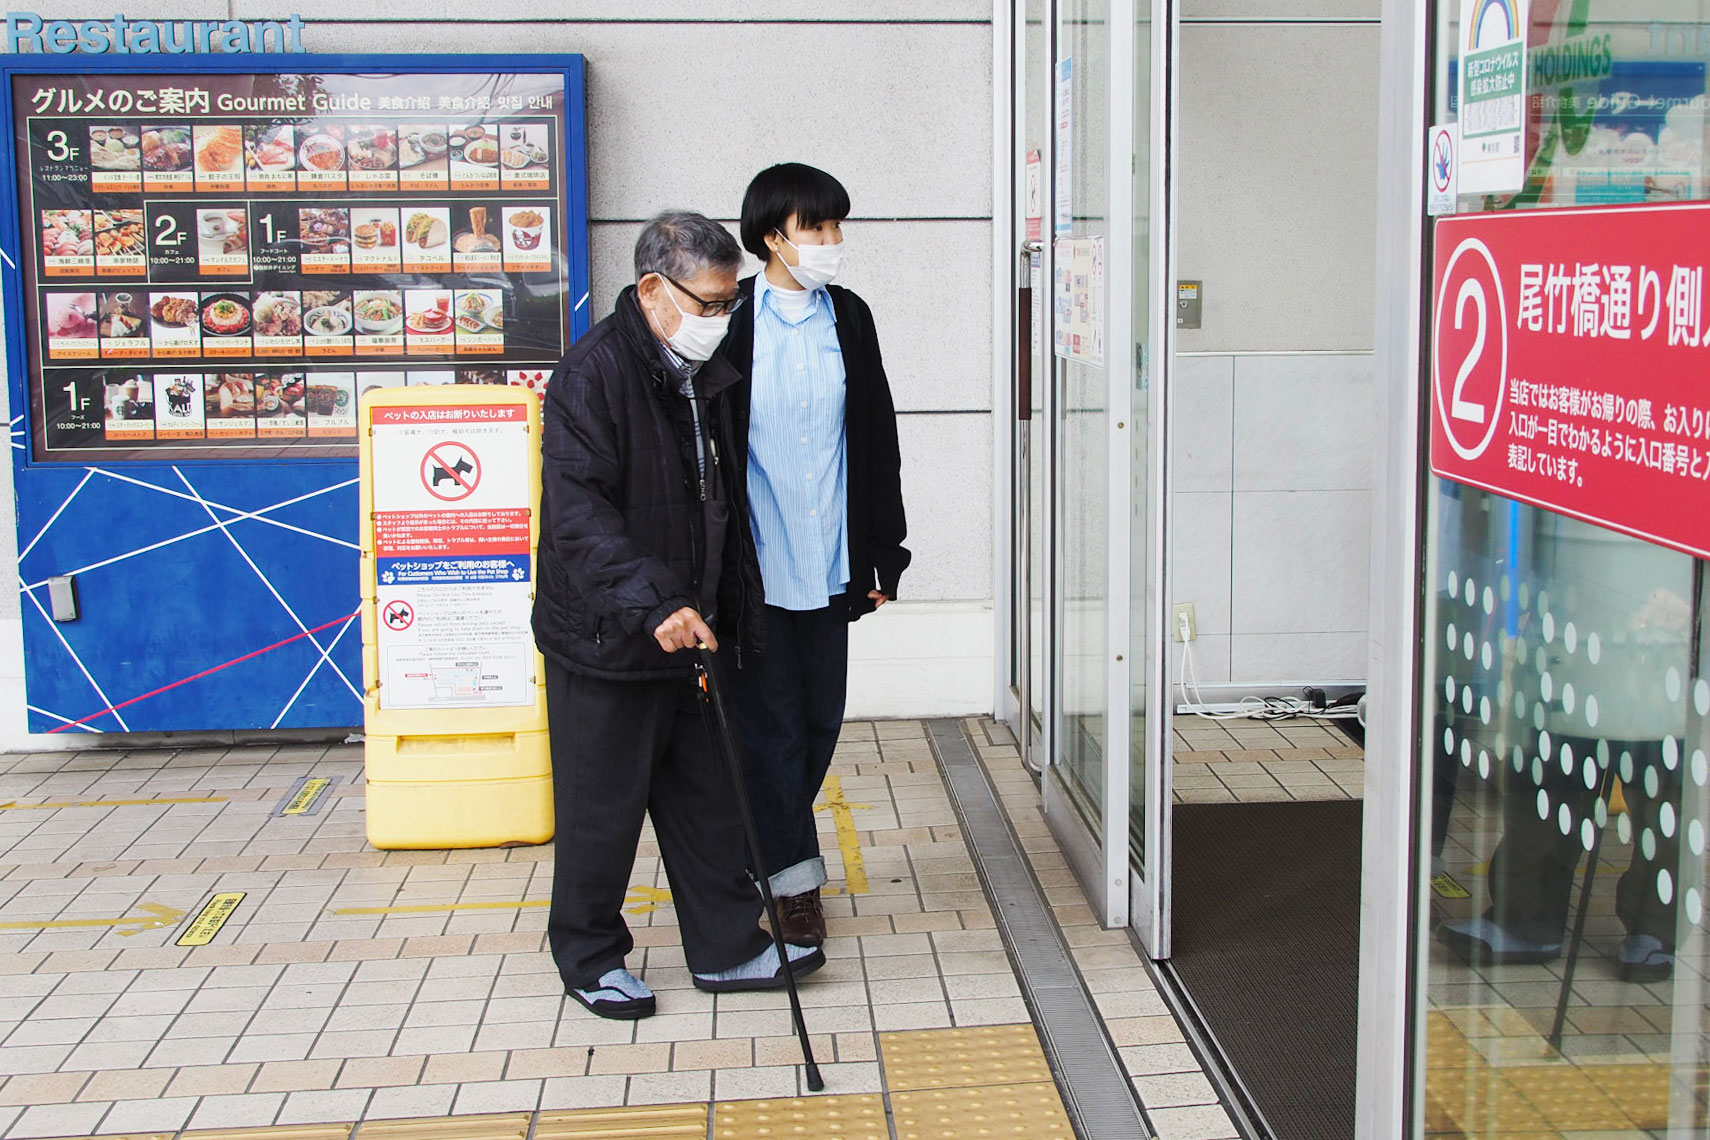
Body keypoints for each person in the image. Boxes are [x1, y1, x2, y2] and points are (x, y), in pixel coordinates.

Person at [533, 210, 823, 1020]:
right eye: (709, 304)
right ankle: (589, 956)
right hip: (610, 635)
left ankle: (726, 947)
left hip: (693, 629)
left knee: (706, 799)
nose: (721, 318)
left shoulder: (703, 368)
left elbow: (715, 497)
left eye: (731, 302)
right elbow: (579, 516)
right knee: (601, 809)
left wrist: (721, 607)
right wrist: (654, 600)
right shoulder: (592, 374)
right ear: (653, 290)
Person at [720, 163, 910, 948]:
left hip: (829, 559)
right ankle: (793, 884)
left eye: (837, 225)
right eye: (816, 227)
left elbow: (876, 438)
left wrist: (884, 554)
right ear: (773, 237)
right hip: (756, 566)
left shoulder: (850, 316)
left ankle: (753, 849)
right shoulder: (732, 318)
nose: (833, 240)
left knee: (820, 721)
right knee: (773, 730)